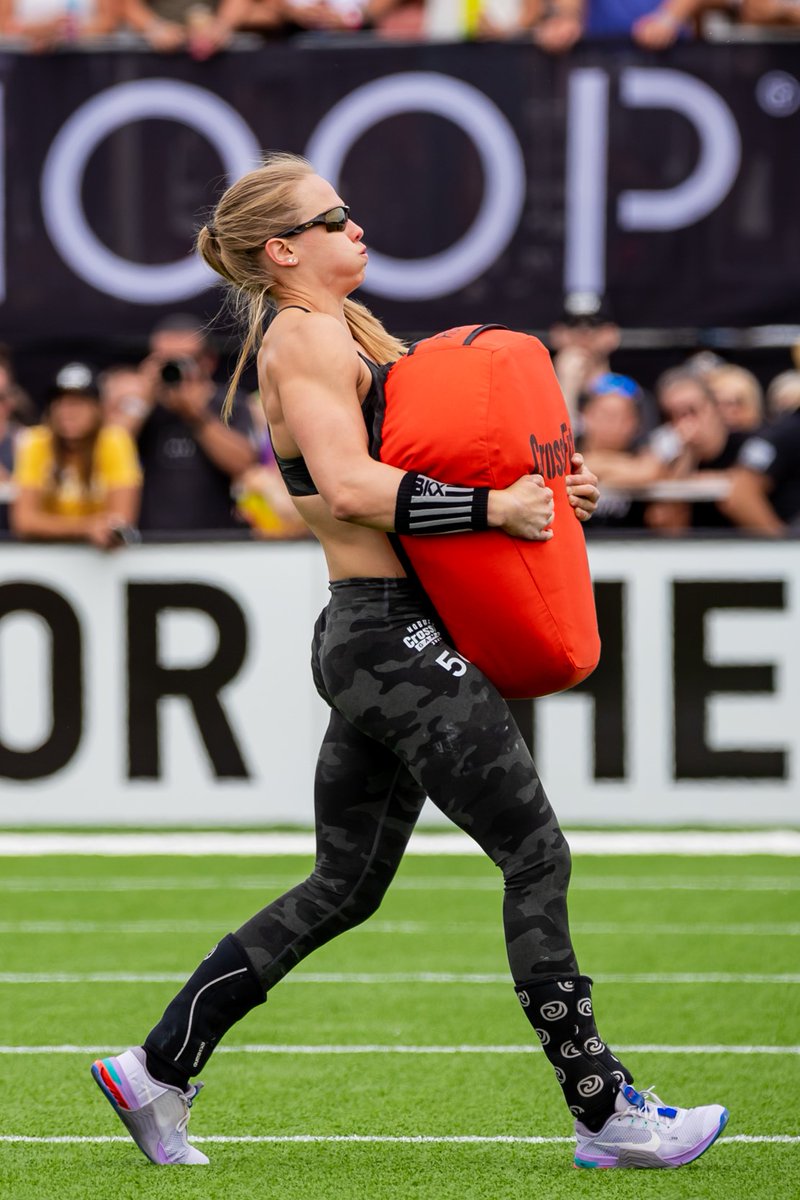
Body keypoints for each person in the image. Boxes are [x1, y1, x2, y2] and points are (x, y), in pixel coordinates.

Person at [90, 152, 727, 1170]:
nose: (355, 227)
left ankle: (157, 1068)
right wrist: (495, 509)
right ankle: (603, 1110)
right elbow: (348, 488)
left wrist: (546, 497)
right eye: (332, 218)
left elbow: (422, 473)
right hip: (386, 636)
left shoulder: (341, 332)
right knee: (534, 854)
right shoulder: (300, 338)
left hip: (373, 634)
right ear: (282, 249)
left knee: (344, 884)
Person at [130, 315, 257, 533]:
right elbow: (109, 447)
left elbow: (243, 464)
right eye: (164, 359)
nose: (173, 367)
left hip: (216, 538)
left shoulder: (229, 402)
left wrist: (196, 415)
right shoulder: (143, 406)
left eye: (184, 359)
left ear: (208, 362)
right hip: (150, 540)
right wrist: (140, 400)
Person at [10, 362, 142, 548]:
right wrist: (87, 527)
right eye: (61, 403)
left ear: (98, 408)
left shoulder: (114, 441)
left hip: (100, 559)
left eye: (79, 403)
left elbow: (121, 519)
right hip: (45, 556)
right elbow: (24, 521)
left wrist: (50, 525)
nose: (68, 412)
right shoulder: (35, 442)